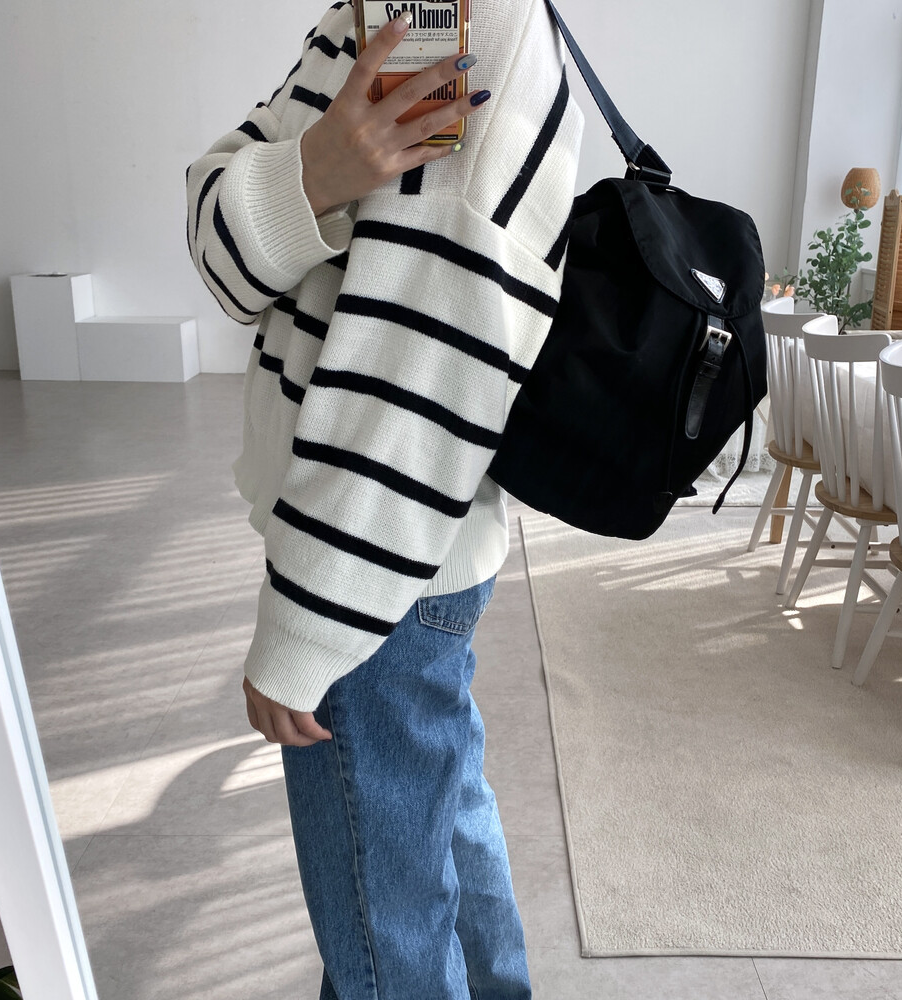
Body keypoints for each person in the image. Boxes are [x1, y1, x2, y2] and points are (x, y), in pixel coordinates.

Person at [186, 1, 582, 996]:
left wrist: (309, 625)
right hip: (405, 555)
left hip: (374, 569)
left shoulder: (459, 22)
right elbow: (214, 233)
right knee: (438, 831)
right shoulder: (374, 15)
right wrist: (313, 174)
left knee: (384, 943)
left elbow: (423, 348)